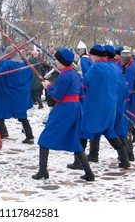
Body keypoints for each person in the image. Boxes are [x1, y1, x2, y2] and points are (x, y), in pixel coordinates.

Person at [32, 48, 94, 181]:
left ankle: (43, 170)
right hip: (75, 108)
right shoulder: (75, 75)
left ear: (61, 61)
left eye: (57, 59)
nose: (55, 61)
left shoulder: (64, 76)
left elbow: (57, 96)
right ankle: (89, 173)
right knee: (74, 140)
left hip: (64, 109)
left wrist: (48, 86)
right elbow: (81, 94)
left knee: (44, 138)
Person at [68, 45, 131, 170]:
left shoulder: (95, 67)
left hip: (95, 105)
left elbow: (85, 85)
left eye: (91, 55)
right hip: (111, 105)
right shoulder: (115, 67)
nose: (90, 57)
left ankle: (79, 161)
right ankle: (124, 159)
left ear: (96, 55)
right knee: (108, 131)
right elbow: (123, 87)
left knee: (83, 131)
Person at [0, 45, 35, 144]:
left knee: (0, 115)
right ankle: (30, 136)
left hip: (8, 95)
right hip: (21, 96)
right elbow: (29, 78)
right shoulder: (24, 65)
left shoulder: (8, 65)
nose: (6, 55)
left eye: (7, 53)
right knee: (23, 117)